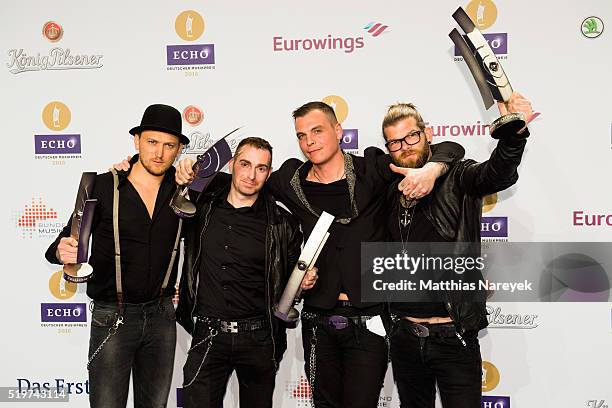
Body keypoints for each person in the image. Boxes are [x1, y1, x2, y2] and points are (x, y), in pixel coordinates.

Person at [175, 101, 465, 408]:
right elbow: (243, 181)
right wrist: (192, 174)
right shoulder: (288, 179)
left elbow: (450, 149)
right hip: (318, 321)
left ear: (338, 131)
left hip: (369, 320)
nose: (309, 141)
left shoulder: (372, 167)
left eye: (317, 131)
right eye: (301, 135)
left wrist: (433, 168)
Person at [382, 92, 533, 408]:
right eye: (394, 142)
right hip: (404, 336)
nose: (404, 146)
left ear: (428, 134)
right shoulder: (387, 186)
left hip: (454, 335)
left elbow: (498, 172)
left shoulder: (459, 177)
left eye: (411, 136)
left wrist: (514, 133)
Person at [46, 104, 187, 408]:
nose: (159, 153)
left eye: (169, 145)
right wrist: (63, 250)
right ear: (136, 141)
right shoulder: (102, 185)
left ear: (179, 150)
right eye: (151, 142)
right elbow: (62, 243)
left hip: (162, 317)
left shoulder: (185, 191)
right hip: (113, 316)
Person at [175, 137, 311, 408]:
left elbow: (292, 281)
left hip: (260, 338)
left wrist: (304, 282)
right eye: (245, 164)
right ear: (232, 165)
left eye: (261, 168)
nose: (251, 175)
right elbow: (156, 184)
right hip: (208, 335)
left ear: (268, 173)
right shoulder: (201, 208)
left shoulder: (282, 222)